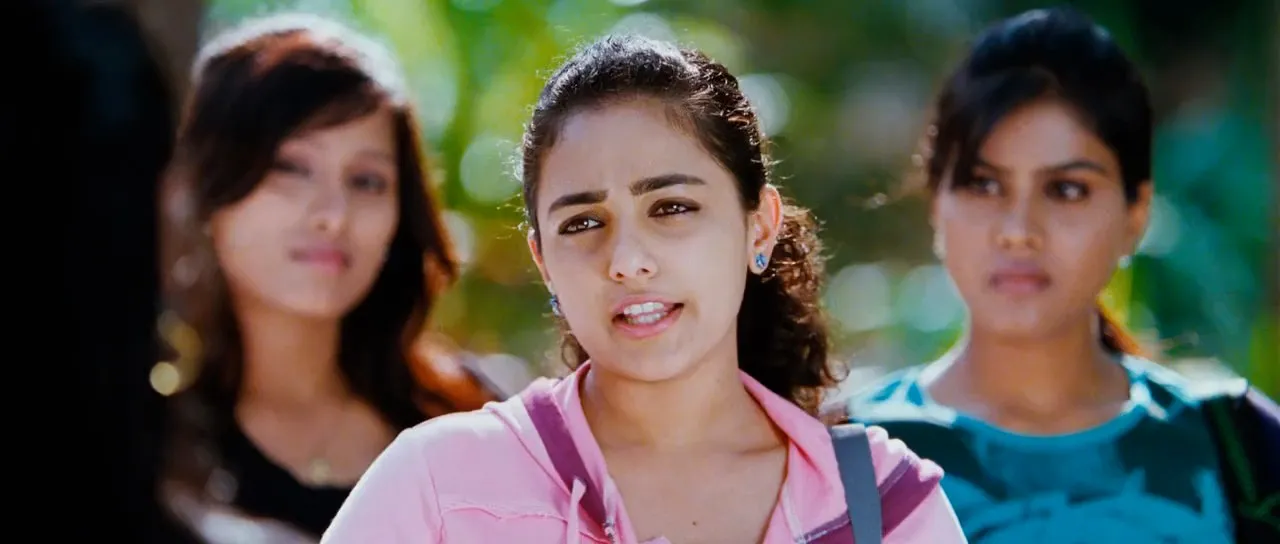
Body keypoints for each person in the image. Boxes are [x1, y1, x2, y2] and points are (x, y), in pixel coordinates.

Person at [323, 34, 965, 544]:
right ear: (544, 262)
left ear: (760, 226)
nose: (627, 261)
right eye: (583, 223)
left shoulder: (883, 504)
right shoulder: (440, 488)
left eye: (672, 208)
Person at [846, 7, 1278, 543]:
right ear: (936, 201)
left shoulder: (1244, 456)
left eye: (1066, 189)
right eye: (983, 184)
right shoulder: (843, 463)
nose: (1018, 231)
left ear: (1136, 215)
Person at [159, 13, 502, 542]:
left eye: (366, 180)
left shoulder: (470, 425)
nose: (333, 216)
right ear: (204, 190)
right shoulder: (146, 435)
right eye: (291, 168)